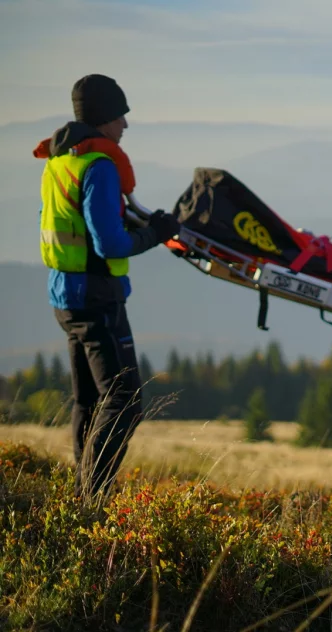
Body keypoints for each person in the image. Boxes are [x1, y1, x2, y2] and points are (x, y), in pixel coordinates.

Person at [33, 74, 180, 499]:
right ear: (103, 119)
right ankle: (93, 499)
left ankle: (82, 496)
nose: (125, 127)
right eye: (121, 117)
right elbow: (109, 241)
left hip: (65, 297)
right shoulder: (99, 165)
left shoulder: (60, 161)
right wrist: (156, 235)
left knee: (88, 401)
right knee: (124, 402)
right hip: (98, 299)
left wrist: (147, 225)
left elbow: (76, 223)